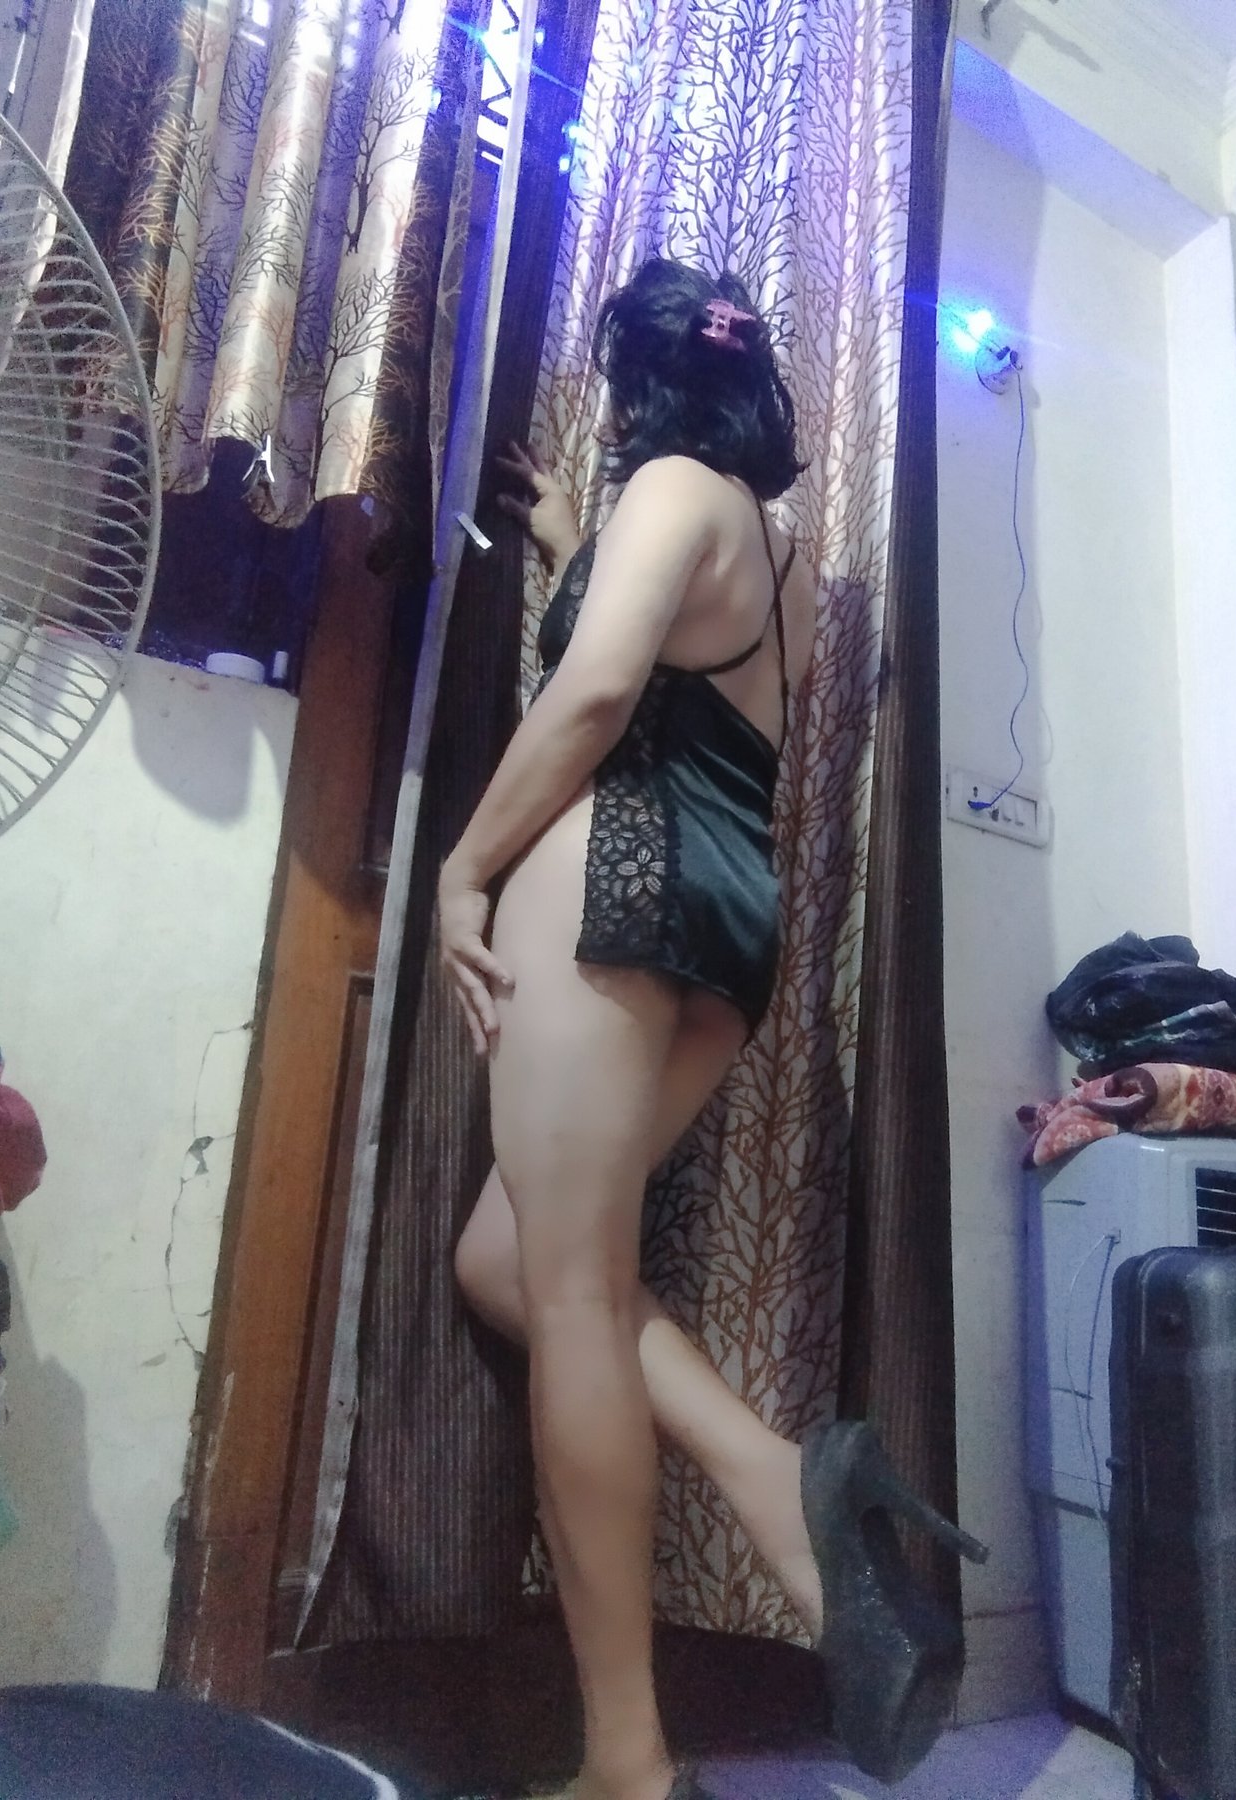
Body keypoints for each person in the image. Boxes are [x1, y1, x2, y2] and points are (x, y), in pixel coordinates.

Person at [439, 259, 984, 1800]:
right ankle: (785, 1484)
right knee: (515, 1262)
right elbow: (689, 673)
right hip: (726, 926)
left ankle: (628, 1761)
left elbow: (601, 693)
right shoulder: (781, 555)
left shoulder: (671, 487)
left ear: (643, 386)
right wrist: (573, 545)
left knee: (563, 1291)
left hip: (612, 879)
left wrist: (463, 869)